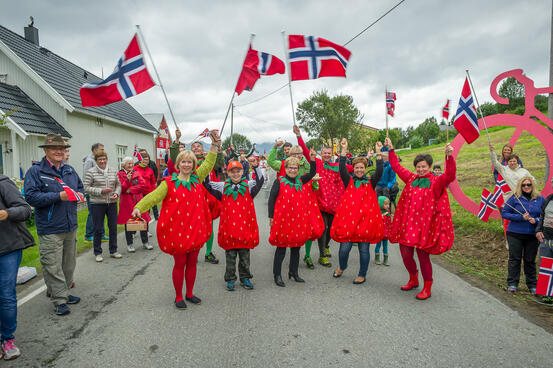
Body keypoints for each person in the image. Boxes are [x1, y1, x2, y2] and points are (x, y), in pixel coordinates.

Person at [132, 130, 221, 309]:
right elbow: (154, 196)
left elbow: (210, 161)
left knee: (192, 264)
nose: (186, 164)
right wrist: (138, 207)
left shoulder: (197, 178)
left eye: (189, 162)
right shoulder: (168, 183)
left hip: (195, 229)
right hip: (178, 232)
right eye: (183, 162)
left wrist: (214, 145)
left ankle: (190, 293)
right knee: (180, 264)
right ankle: (178, 296)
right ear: (178, 164)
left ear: (194, 164)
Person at [385, 137, 456, 300]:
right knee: (405, 254)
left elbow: (450, 175)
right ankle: (413, 278)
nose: (421, 169)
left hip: (425, 229)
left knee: (423, 258)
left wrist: (449, 157)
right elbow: (396, 166)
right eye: (418, 167)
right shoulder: (410, 179)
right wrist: (391, 150)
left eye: (424, 166)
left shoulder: (436, 182)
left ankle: (427, 287)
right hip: (408, 228)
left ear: (429, 167)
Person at [24, 134, 83, 315]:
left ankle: (62, 291)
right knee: (52, 265)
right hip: (50, 228)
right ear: (46, 150)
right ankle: (59, 299)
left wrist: (79, 195)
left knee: (68, 265)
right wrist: (58, 196)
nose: (59, 151)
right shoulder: (35, 171)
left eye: (62, 148)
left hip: (70, 225)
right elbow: (31, 197)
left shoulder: (70, 170)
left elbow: (80, 188)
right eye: (54, 148)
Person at [294, 125, 354, 267]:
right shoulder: (318, 164)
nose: (326, 155)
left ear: (331, 153)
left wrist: (365, 161)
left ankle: (326, 246)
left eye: (329, 153)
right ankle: (322, 256)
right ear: (321, 153)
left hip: (335, 204)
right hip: (320, 202)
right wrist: (298, 135)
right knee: (323, 228)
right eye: (324, 153)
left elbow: (351, 168)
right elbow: (307, 151)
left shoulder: (337, 166)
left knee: (332, 230)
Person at [205, 160, 264, 291]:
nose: (236, 174)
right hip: (229, 229)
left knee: (245, 257)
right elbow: (207, 184)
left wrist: (256, 166)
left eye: (238, 171)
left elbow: (260, 181)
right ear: (228, 173)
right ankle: (230, 279)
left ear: (243, 172)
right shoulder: (222, 186)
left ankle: (245, 278)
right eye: (232, 171)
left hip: (245, 230)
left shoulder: (249, 185)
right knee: (230, 257)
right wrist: (207, 167)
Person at [331, 139, 383, 284]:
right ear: (353, 168)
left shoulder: (370, 183)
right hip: (348, 222)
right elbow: (341, 169)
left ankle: (362, 274)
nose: (359, 170)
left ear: (365, 168)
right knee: (344, 249)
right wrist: (343, 151)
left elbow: (379, 171)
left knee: (364, 250)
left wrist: (378, 153)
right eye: (357, 168)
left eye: (361, 168)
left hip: (364, 223)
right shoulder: (349, 181)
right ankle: (342, 266)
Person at [170, 130, 224, 265]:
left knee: (209, 223)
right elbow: (174, 156)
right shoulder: (187, 162)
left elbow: (219, 163)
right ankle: (190, 250)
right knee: (192, 224)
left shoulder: (208, 159)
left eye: (198, 146)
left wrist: (217, 146)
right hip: (192, 195)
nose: (195, 148)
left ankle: (208, 252)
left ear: (203, 148)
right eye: (193, 146)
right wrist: (177, 140)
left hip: (209, 194)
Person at [268, 140, 320, 269]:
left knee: (296, 248)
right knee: (281, 248)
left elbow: (312, 172)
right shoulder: (279, 181)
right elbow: (272, 199)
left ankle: (294, 272)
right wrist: (271, 217)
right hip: (283, 216)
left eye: (295, 168)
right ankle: (277, 274)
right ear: (285, 168)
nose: (292, 170)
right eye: (290, 168)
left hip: (297, 216)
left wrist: (312, 158)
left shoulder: (300, 180)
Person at [0, 176, 34, 360]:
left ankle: (7, 339)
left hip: (7, 247)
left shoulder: (3, 183)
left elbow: (25, 210)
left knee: (5, 293)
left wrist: (6, 213)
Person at [501, 176, 544, 294]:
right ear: (520, 186)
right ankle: (513, 283)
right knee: (515, 259)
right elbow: (505, 213)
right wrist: (520, 217)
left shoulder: (540, 199)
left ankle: (532, 285)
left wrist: (536, 220)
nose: (526, 187)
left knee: (530, 260)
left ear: (532, 186)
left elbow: (545, 216)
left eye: (528, 185)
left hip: (532, 235)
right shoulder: (515, 198)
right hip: (515, 233)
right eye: (524, 185)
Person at [83, 150, 122, 262]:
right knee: (98, 229)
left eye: (104, 158)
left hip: (112, 203)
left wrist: (116, 193)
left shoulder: (113, 170)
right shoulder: (91, 172)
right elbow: (86, 187)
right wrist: (101, 191)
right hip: (97, 204)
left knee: (113, 227)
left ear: (107, 159)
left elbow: (118, 185)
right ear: (96, 161)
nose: (102, 161)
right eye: (100, 159)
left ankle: (113, 250)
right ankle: (98, 252)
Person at [117, 157, 152, 252]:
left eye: (132, 163)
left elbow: (143, 185)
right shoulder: (119, 174)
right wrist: (127, 181)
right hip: (127, 202)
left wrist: (131, 189)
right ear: (123, 165)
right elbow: (122, 189)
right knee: (129, 222)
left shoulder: (136, 172)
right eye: (129, 163)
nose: (131, 165)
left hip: (138, 200)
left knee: (143, 220)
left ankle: (145, 242)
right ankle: (130, 244)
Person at [82, 142, 106, 243]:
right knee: (92, 213)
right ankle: (88, 235)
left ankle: (102, 234)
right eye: (101, 149)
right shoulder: (89, 161)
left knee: (102, 213)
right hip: (92, 192)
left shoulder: (99, 160)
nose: (103, 151)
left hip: (101, 191)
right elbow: (86, 177)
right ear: (95, 150)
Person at [536, 177, 553, 305]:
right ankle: (546, 296)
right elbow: (541, 217)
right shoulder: (548, 199)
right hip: (546, 238)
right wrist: (538, 230)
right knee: (545, 267)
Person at [374, 196, 392, 266]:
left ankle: (385, 259)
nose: (388, 206)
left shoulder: (387, 212)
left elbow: (389, 223)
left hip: (386, 233)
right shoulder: (378, 212)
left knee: (385, 246)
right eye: (386, 204)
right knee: (378, 245)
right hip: (380, 232)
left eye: (388, 204)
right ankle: (377, 257)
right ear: (381, 204)